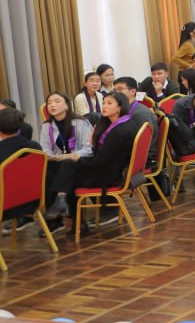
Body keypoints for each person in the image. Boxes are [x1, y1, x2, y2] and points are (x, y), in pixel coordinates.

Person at [43, 93, 139, 227]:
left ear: (120, 107)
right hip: (113, 169)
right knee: (65, 167)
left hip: (109, 176)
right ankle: (64, 206)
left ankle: (71, 219)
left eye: (109, 103)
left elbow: (100, 161)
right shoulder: (125, 123)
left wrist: (80, 157)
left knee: (63, 172)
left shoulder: (119, 131)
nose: (104, 106)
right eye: (104, 103)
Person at [37, 93, 93, 228]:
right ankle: (57, 218)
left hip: (81, 164)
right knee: (46, 174)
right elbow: (45, 150)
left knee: (67, 167)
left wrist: (69, 156)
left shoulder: (80, 122)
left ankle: (71, 218)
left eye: (57, 101)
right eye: (49, 102)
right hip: (58, 163)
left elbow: (89, 148)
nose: (52, 105)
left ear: (67, 105)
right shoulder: (47, 126)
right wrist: (56, 157)